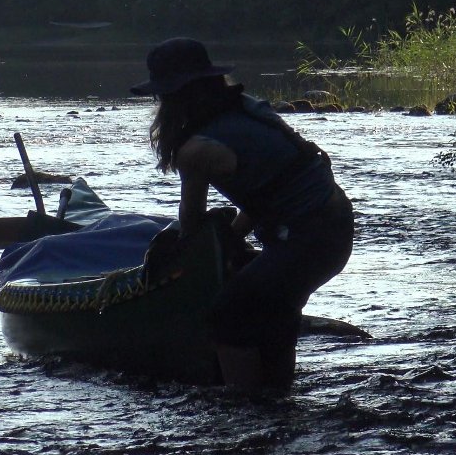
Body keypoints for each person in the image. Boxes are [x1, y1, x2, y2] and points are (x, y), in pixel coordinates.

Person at [131, 37, 354, 393]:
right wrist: (233, 237)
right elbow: (268, 191)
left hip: (308, 238)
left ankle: (243, 407)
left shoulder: (196, 149)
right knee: (275, 316)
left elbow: (191, 225)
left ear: (173, 97)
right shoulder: (246, 109)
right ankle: (276, 400)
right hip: (334, 226)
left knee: (227, 316)